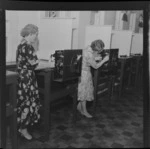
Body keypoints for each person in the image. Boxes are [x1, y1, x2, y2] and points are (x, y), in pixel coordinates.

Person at [16, 24, 41, 140]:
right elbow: (34, 63)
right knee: (27, 102)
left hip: (22, 76)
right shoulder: (28, 46)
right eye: (35, 35)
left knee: (23, 102)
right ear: (30, 34)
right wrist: (37, 59)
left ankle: (21, 126)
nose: (36, 37)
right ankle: (23, 130)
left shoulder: (20, 44)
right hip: (27, 77)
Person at [77, 39, 109, 118]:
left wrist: (95, 58)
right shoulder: (89, 54)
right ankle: (84, 111)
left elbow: (88, 59)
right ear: (97, 48)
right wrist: (104, 60)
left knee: (84, 91)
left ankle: (79, 107)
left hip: (83, 72)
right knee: (84, 93)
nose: (99, 52)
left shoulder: (87, 48)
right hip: (84, 74)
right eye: (99, 50)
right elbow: (95, 66)